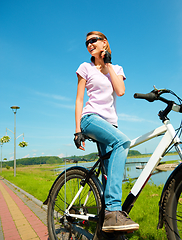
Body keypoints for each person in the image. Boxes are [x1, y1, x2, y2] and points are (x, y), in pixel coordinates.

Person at [74, 31, 139, 233]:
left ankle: (105, 226)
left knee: (108, 176)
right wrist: (77, 130)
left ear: (104, 43)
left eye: (93, 40)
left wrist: (108, 63)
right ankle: (113, 212)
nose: (89, 44)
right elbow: (79, 100)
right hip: (91, 119)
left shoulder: (116, 68)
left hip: (111, 125)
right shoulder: (86, 67)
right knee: (123, 143)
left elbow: (120, 90)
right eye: (87, 43)